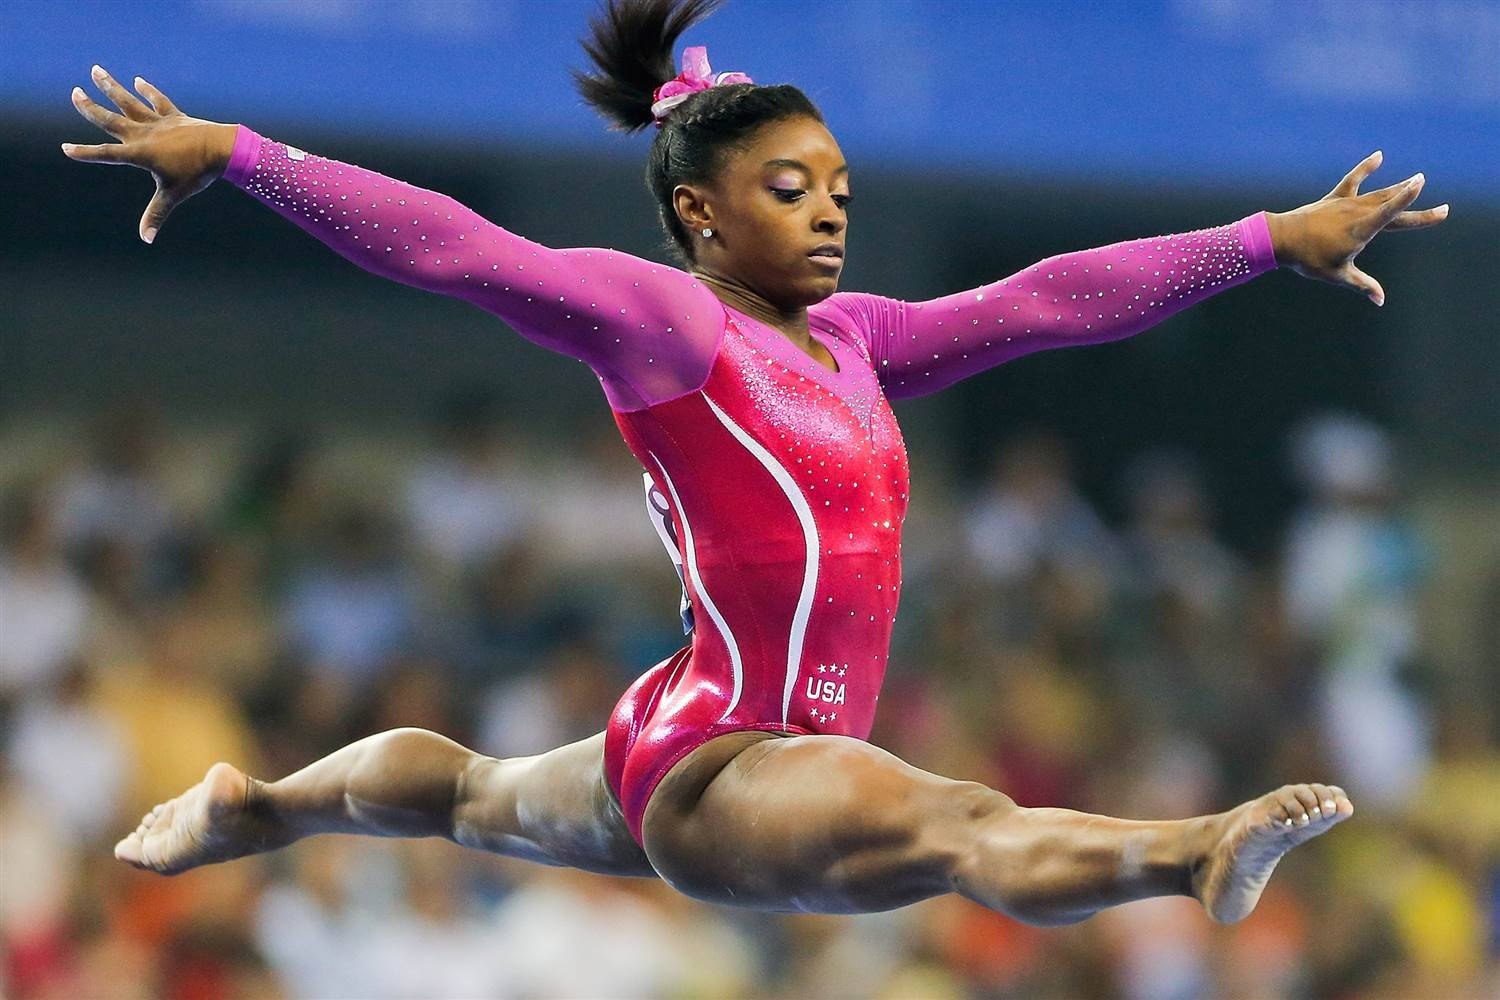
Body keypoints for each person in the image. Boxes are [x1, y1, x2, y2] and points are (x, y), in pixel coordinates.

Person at [66, 0, 1446, 926]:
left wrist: (1265, 240)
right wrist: (243, 155)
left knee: (473, 793)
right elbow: (458, 248)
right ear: (698, 212)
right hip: (729, 764)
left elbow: (1053, 297)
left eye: (840, 188)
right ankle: (1189, 849)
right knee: (957, 821)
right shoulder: (666, 321)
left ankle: (260, 804)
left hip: (690, 726)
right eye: (791, 189)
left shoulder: (859, 341)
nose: (831, 212)